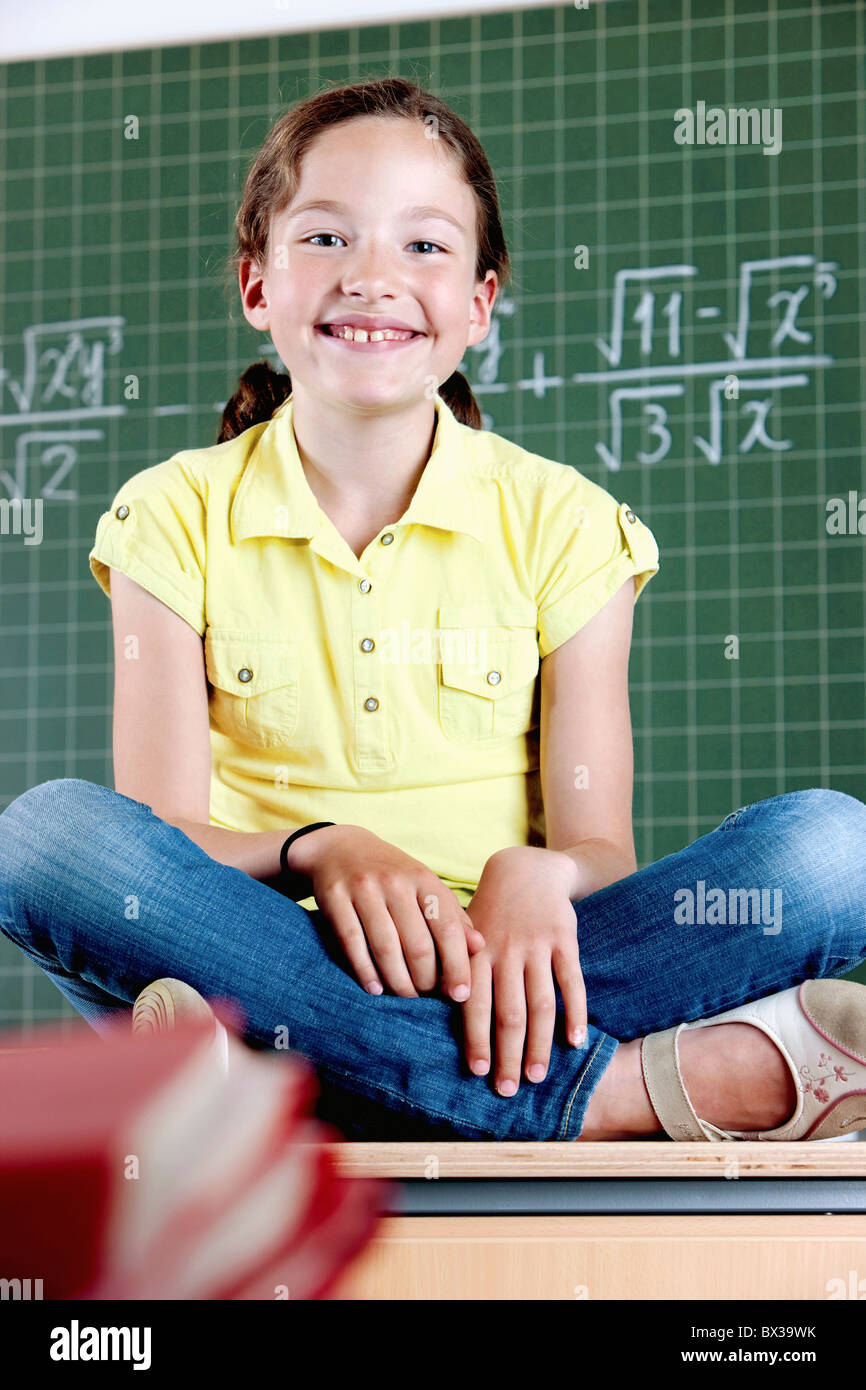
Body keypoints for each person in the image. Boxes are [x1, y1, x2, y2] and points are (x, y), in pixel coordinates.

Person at [2, 76, 866, 1144]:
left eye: (423, 247)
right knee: (44, 839)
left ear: (477, 302)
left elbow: (597, 847)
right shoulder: (169, 512)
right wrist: (317, 846)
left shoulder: (564, 519)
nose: (371, 277)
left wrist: (532, 874)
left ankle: (305, 1082)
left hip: (524, 960)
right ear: (256, 286)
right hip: (264, 942)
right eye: (324, 237)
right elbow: (163, 835)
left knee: (837, 850)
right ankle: (609, 1094)